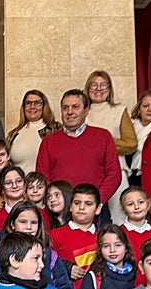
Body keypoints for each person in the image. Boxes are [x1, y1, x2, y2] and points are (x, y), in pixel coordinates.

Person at [35, 89, 120, 217]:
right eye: (65, 108)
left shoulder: (103, 137)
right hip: (60, 211)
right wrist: (56, 201)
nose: (70, 112)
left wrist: (96, 201)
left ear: (86, 111)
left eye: (75, 107)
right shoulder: (48, 142)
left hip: (96, 210)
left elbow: (114, 174)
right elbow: (42, 176)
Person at [84, 71, 137, 221]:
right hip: (90, 170)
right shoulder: (82, 112)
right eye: (94, 85)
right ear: (87, 88)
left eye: (103, 85)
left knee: (120, 216)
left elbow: (131, 143)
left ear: (109, 89)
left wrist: (103, 143)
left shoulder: (119, 111)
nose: (98, 89)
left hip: (116, 170)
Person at [7, 90, 56, 175]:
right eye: (28, 103)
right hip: (19, 183)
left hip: (47, 182)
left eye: (37, 103)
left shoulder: (54, 130)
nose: (32, 107)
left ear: (44, 106)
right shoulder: (13, 134)